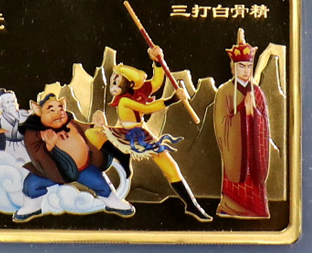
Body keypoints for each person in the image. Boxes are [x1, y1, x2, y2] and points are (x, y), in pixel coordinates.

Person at [95, 46, 212, 222]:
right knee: (103, 146)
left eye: (117, 82)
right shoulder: (124, 100)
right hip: (126, 134)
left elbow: (157, 82)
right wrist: (171, 100)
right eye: (113, 81)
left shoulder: (138, 92)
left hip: (141, 133)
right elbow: (147, 108)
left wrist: (157, 61)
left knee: (170, 167)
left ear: (131, 84)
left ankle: (191, 204)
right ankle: (117, 167)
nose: (113, 86)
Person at [13, 87, 135, 222]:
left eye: (60, 108)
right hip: (53, 171)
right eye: (51, 110)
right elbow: (36, 154)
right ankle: (32, 206)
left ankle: (113, 202)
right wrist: (49, 147)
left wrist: (97, 127)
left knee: (100, 183)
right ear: (38, 112)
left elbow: (85, 130)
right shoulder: (34, 133)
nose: (59, 112)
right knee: (31, 184)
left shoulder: (70, 122)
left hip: (83, 168)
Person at [212, 29, 271, 218]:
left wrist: (254, 113)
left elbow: (265, 126)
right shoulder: (225, 91)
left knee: (254, 176)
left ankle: (255, 209)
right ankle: (230, 206)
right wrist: (241, 112)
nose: (246, 71)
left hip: (254, 152)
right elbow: (222, 124)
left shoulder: (258, 92)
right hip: (236, 151)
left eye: (249, 66)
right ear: (233, 67)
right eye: (241, 66)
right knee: (236, 172)